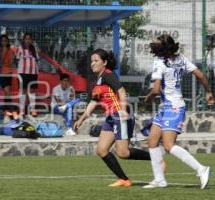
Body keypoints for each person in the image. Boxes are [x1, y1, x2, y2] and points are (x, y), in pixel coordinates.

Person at [143, 34, 214, 189]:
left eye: (157, 43)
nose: (153, 44)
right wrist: (208, 92)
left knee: (168, 145)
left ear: (163, 48)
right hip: (167, 107)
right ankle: (159, 179)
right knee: (152, 142)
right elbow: (201, 75)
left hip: (173, 107)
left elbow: (155, 90)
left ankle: (201, 169)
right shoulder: (181, 58)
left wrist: (148, 98)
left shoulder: (159, 61)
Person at [74, 49, 152, 187]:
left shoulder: (108, 75)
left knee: (123, 152)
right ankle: (124, 179)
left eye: (96, 61)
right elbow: (93, 102)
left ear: (104, 62)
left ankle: (155, 158)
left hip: (119, 115)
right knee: (101, 150)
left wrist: (122, 110)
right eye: (91, 61)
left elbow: (121, 91)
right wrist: (81, 120)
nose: (92, 64)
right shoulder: (98, 80)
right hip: (111, 117)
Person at [16, 33, 40, 117]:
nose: (28, 40)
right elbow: (16, 60)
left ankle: (33, 109)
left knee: (32, 91)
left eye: (29, 39)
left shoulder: (34, 49)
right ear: (24, 39)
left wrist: (37, 70)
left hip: (33, 73)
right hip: (22, 72)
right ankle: (22, 110)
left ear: (31, 40)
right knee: (23, 91)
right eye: (26, 38)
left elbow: (37, 60)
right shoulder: (20, 48)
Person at [0, 34, 15, 114]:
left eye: (5, 40)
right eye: (2, 41)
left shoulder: (10, 50)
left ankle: (5, 109)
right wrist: (4, 52)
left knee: (7, 92)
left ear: (7, 41)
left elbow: (10, 63)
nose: (4, 42)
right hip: (1, 73)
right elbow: (0, 62)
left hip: (9, 72)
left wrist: (7, 52)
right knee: (7, 91)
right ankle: (12, 109)